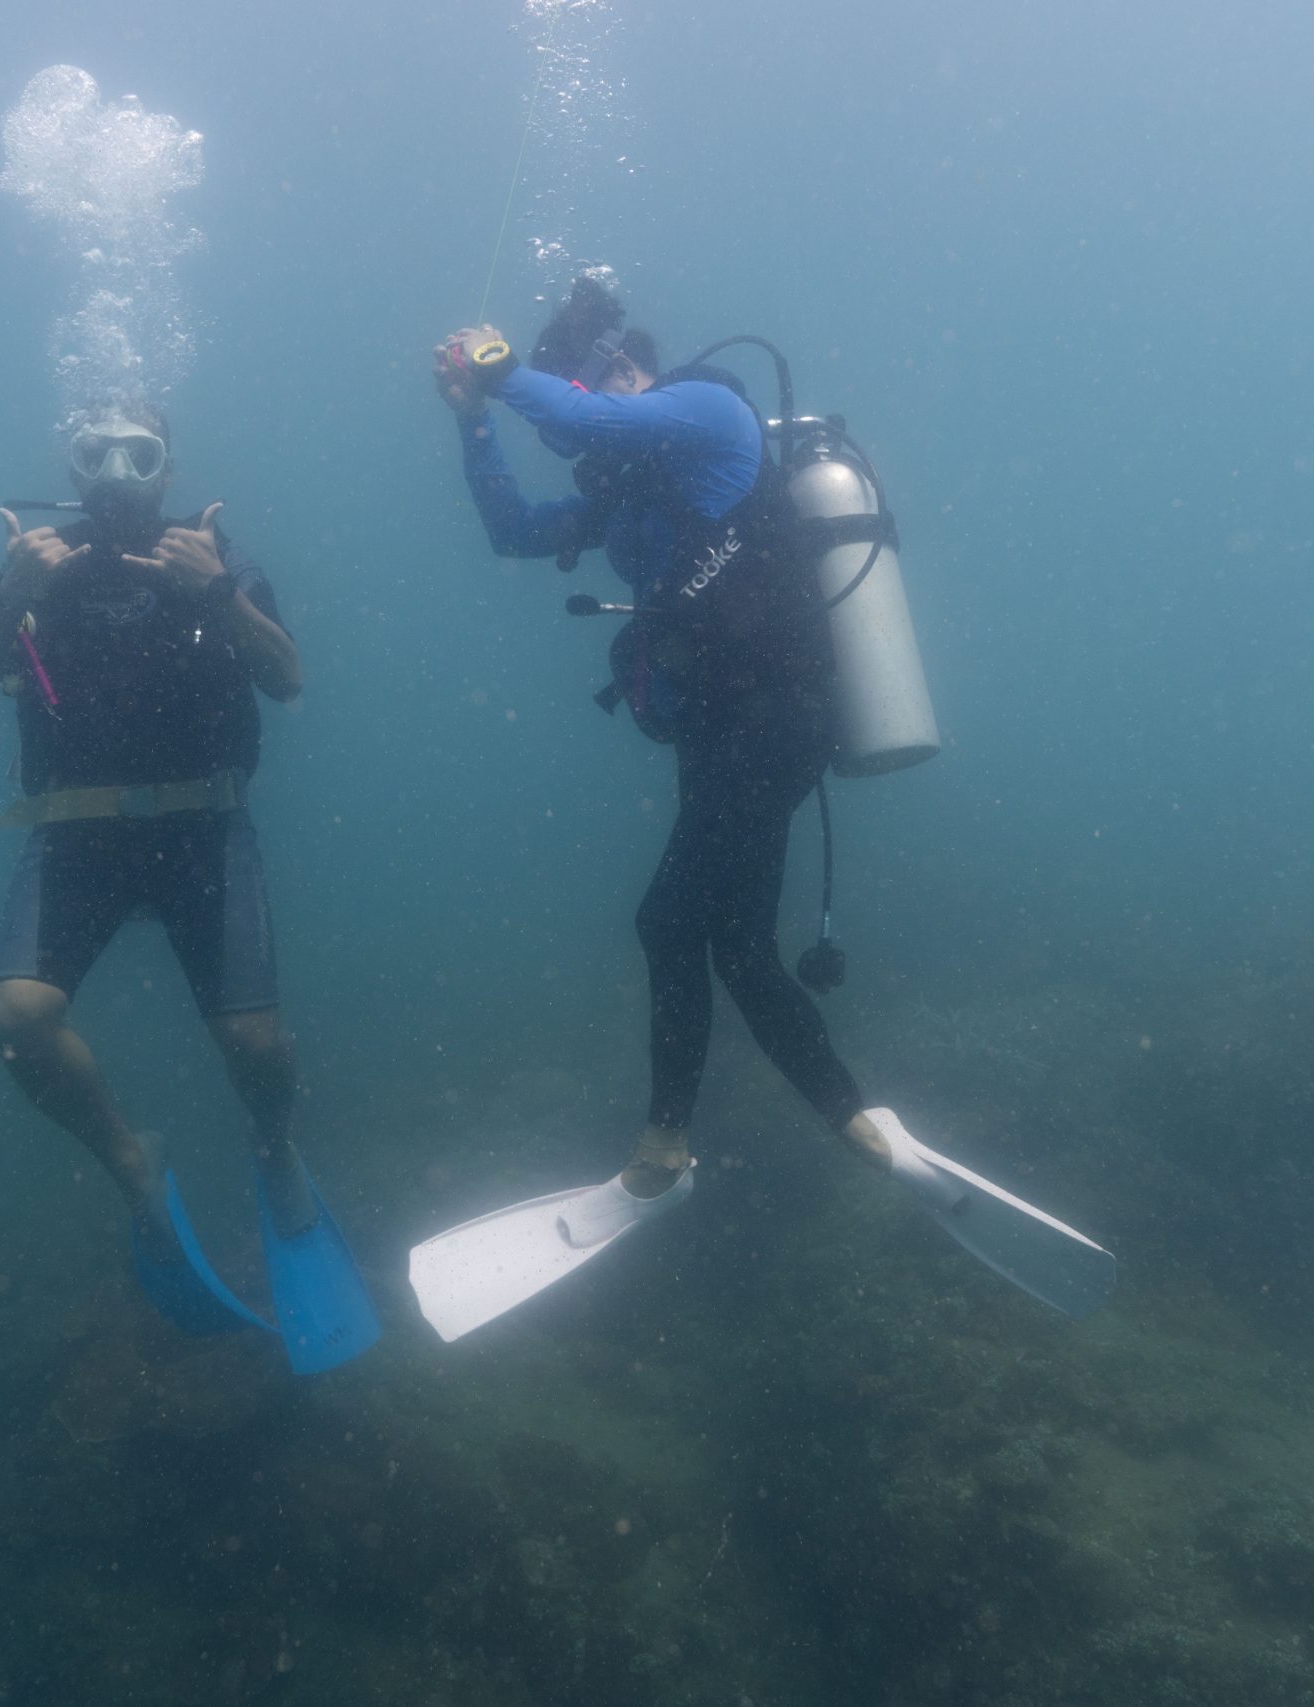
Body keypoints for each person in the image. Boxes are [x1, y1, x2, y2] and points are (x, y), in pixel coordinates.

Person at [404, 281, 1114, 1341]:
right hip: (716, 742)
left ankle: (663, 1154)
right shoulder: (630, 495)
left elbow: (587, 420)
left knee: (664, 922)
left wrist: (502, 370)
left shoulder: (709, 418)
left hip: (776, 721)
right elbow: (513, 529)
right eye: (579, 386)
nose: (591, 402)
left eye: (602, 379)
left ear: (638, 374)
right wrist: (472, 421)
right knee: (736, 948)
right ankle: (862, 1124)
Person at [0, 403, 378, 1373]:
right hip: (77, 832)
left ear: (168, 467)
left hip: (202, 828)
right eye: (94, 452)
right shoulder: (34, 568)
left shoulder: (212, 557)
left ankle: (274, 1146)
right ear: (71, 465)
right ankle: (130, 1160)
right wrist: (8, 596)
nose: (116, 471)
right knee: (17, 1017)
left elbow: (288, 677)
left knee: (255, 1042)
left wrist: (217, 592)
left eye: (139, 453)